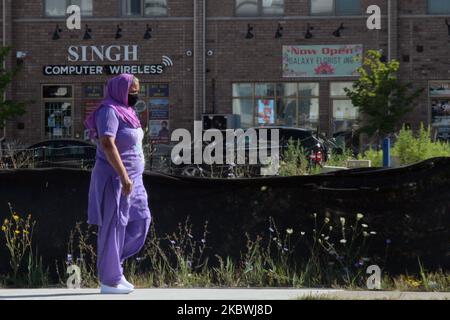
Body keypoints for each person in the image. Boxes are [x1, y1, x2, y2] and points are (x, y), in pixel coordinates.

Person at [84, 74, 151, 294]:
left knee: (141, 220)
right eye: (132, 90)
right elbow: (106, 143)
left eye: (137, 90)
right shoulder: (109, 111)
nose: (136, 94)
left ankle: (112, 264)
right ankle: (109, 280)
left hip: (135, 178)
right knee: (114, 226)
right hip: (115, 178)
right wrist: (123, 176)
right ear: (120, 90)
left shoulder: (128, 112)